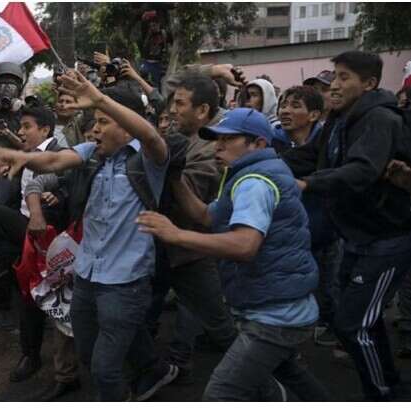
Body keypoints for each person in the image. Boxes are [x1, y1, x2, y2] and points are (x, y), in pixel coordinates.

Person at [0, 70, 177, 401]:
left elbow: (150, 136)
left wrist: (101, 97)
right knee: (89, 355)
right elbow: (57, 158)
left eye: (104, 121)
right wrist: (23, 157)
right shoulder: (93, 152)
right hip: (86, 274)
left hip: (125, 281)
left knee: (105, 369)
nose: (95, 129)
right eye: (94, 121)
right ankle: (153, 370)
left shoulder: (148, 159)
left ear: (126, 123)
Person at [138, 107, 329, 401]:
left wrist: (175, 234)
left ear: (259, 144)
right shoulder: (250, 174)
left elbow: (244, 245)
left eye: (229, 139)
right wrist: (176, 178)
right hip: (280, 305)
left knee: (221, 393)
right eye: (217, 139)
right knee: (291, 379)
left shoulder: (254, 182)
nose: (219, 145)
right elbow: (205, 216)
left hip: (274, 315)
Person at [283, 50, 411, 401]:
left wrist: (311, 183)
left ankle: (385, 394)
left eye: (344, 77)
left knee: (355, 324)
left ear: (368, 84)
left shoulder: (379, 119)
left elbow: (363, 169)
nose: (334, 85)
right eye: (334, 76)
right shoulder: (340, 120)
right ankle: (386, 382)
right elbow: (312, 157)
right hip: (357, 237)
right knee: (354, 320)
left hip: (386, 238)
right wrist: (261, 160)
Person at [0, 105, 62, 383]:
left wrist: (56, 196)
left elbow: (67, 180)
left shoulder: (60, 152)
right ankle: (9, 353)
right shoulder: (28, 155)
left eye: (27, 126)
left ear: (45, 130)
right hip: (21, 237)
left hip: (48, 236)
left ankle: (43, 359)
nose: (21, 131)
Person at [156, 73, 237, 383]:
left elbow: (190, 193)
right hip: (165, 244)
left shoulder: (210, 148)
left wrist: (163, 166)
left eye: (179, 104)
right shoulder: (182, 137)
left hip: (192, 249)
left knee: (217, 323)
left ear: (202, 110)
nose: (172, 111)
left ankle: (262, 377)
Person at [276, 86, 342, 347]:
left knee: (330, 286)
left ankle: (336, 329)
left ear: (314, 114)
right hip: (293, 230)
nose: (285, 111)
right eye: (283, 105)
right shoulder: (273, 141)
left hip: (326, 229)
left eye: (295, 106)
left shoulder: (330, 145)